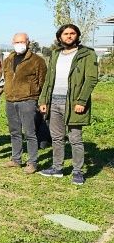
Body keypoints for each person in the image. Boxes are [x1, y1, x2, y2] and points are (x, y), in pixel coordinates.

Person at [38, 24, 98, 185]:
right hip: (54, 100)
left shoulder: (86, 54)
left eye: (72, 33)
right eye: (66, 34)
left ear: (77, 36)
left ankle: (77, 171)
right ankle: (57, 168)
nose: (69, 36)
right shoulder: (56, 54)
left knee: (75, 138)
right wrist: (43, 100)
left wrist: (81, 101)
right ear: (60, 37)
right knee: (56, 137)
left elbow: (91, 79)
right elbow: (48, 80)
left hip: (73, 102)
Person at [3, 33, 47, 173]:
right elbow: (6, 77)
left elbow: (43, 82)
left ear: (28, 42)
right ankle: (16, 159)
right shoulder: (8, 59)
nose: (19, 44)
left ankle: (32, 162)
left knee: (30, 132)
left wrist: (41, 101)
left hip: (28, 100)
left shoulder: (37, 60)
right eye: (17, 42)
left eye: (22, 41)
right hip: (11, 100)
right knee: (14, 131)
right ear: (12, 42)